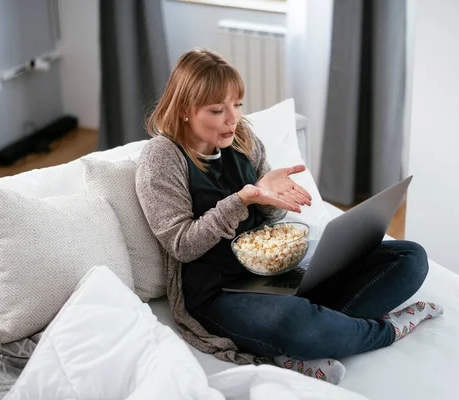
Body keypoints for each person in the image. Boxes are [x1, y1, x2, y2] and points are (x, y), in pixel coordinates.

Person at [135, 49, 443, 385]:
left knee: (410, 257)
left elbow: (270, 217)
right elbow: (181, 245)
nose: (233, 118)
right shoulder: (162, 157)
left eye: (237, 104)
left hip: (274, 274)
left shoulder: (244, 139)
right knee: (298, 324)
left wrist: (271, 197)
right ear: (184, 110)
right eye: (217, 110)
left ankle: (316, 336)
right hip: (217, 292)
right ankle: (386, 329)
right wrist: (242, 199)